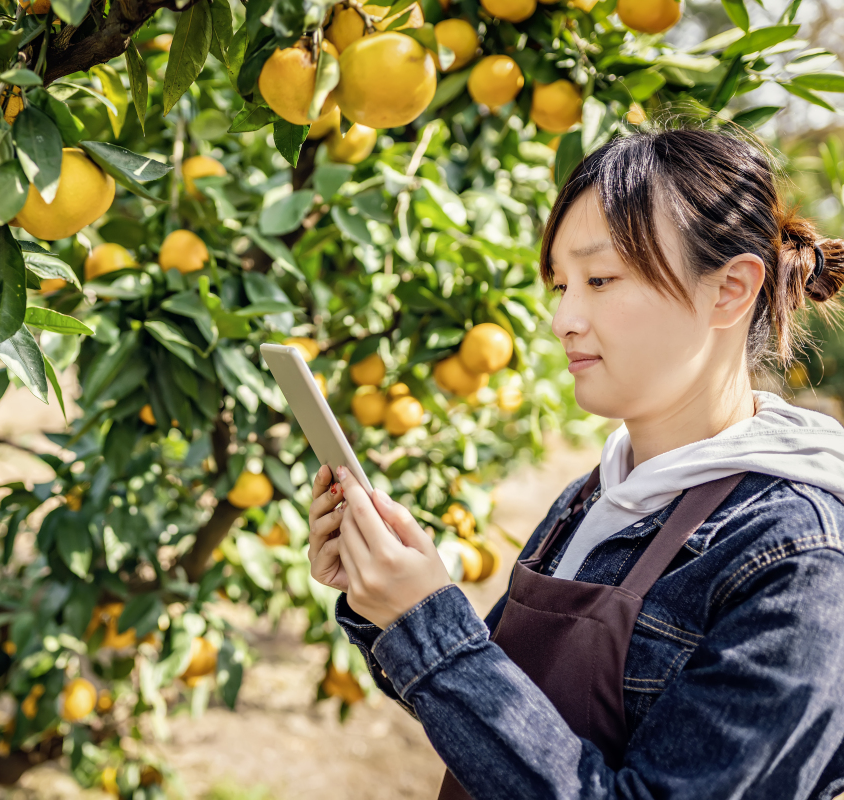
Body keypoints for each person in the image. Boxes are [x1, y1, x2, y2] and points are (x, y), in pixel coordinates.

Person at [307, 123, 844, 799]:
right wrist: (387, 601)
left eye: (599, 278)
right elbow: (500, 725)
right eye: (560, 284)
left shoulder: (798, 559)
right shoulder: (595, 496)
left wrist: (427, 622)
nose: (564, 317)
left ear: (730, 291)